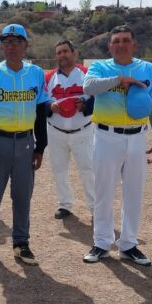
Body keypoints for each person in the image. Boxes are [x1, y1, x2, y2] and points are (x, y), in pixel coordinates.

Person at [82, 25, 152, 266]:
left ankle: (128, 244)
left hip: (137, 137)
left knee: (134, 192)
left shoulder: (147, 69)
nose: (121, 44)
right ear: (110, 46)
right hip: (106, 136)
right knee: (103, 191)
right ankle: (101, 243)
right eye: (116, 41)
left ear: (134, 44)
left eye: (126, 40)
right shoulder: (99, 67)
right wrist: (119, 79)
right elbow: (89, 87)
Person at [0, 24, 49, 267]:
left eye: (17, 41)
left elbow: (40, 111)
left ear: (25, 45)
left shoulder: (36, 73)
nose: (11, 46)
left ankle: (21, 243)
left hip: (25, 142)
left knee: (22, 196)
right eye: (6, 42)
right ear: (2, 46)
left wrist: (40, 146)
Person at [44, 40, 95, 219]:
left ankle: (95, 206)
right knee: (59, 169)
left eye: (65, 51)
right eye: (59, 52)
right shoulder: (49, 77)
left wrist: (86, 105)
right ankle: (65, 204)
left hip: (83, 130)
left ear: (75, 53)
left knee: (88, 169)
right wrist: (50, 106)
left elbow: (99, 98)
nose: (62, 55)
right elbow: (40, 100)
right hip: (55, 131)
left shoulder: (87, 74)